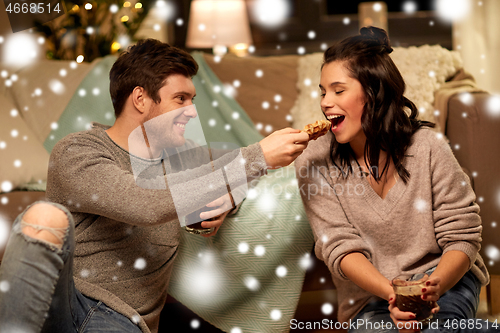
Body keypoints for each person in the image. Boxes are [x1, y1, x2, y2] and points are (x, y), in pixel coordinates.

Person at [0, 39, 309, 333]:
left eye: (192, 99)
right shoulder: (77, 151)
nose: (191, 110)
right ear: (141, 99)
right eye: (180, 99)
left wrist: (227, 197)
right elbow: (144, 202)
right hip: (62, 302)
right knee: (44, 216)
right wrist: (255, 156)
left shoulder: (184, 156)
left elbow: (229, 173)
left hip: (122, 319)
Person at [295, 27, 492, 332]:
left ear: (373, 92)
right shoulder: (313, 162)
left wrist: (430, 288)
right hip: (369, 297)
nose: (325, 102)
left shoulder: (428, 147)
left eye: (338, 90)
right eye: (323, 91)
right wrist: (394, 295)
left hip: (444, 282)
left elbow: (463, 236)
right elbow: (340, 247)